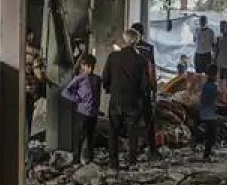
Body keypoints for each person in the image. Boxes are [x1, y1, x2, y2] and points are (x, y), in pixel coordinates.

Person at [102, 29, 151, 168]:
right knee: (132, 132)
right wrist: (143, 96)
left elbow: (105, 77)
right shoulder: (141, 60)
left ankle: (113, 162)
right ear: (136, 41)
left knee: (113, 131)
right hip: (133, 101)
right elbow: (145, 84)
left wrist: (109, 89)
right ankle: (132, 161)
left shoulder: (113, 57)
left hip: (116, 98)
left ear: (124, 40)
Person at [60, 53, 101, 164]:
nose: (90, 69)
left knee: (91, 137)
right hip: (82, 113)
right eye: (88, 66)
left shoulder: (97, 79)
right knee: (80, 137)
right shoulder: (79, 79)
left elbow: (97, 95)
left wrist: (97, 107)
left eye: (92, 66)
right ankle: (76, 159)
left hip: (93, 113)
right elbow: (65, 92)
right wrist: (77, 99)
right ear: (83, 66)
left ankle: (90, 159)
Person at [130, 22, 161, 159]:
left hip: (132, 91)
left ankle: (133, 151)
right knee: (149, 120)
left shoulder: (126, 50)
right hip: (145, 90)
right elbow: (151, 70)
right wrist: (154, 90)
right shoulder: (148, 48)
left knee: (133, 122)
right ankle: (152, 149)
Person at [24, 38, 48, 136]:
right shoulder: (34, 53)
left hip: (16, 91)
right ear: (30, 36)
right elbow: (39, 75)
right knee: (27, 119)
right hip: (29, 93)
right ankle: (25, 143)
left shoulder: (12, 52)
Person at [198, 63, 220, 162]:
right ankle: (206, 155)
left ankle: (207, 153)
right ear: (215, 75)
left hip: (204, 113)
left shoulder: (205, 86)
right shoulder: (213, 87)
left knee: (209, 136)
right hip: (210, 115)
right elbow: (218, 99)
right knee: (212, 136)